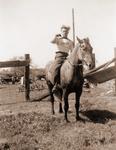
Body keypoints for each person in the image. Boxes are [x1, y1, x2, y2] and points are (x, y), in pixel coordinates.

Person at [51, 25, 74, 92]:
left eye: (66, 31)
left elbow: (72, 51)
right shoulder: (58, 39)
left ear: (68, 32)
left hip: (67, 56)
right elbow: (52, 42)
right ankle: (55, 84)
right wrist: (55, 37)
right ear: (61, 31)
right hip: (59, 56)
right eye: (64, 31)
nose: (65, 32)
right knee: (55, 68)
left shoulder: (70, 41)